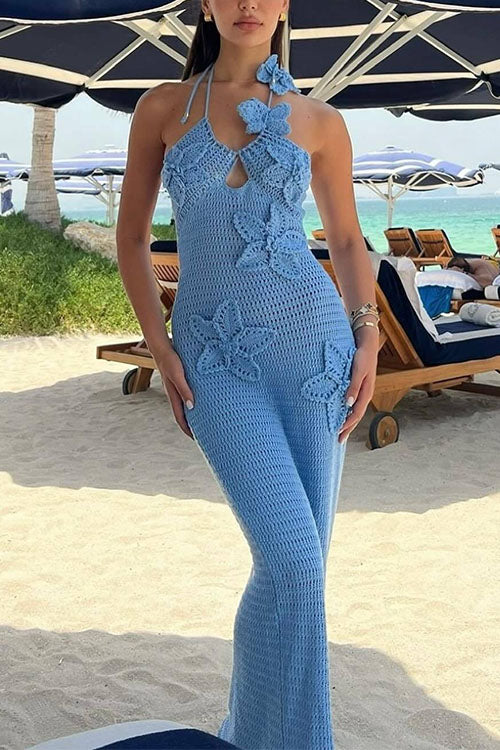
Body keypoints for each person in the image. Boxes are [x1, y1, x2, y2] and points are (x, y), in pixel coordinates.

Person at [115, 2, 379, 748]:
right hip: (213, 361)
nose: (248, 5)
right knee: (290, 559)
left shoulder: (321, 121)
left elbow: (347, 240)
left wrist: (368, 336)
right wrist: (159, 344)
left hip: (316, 352)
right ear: (207, 3)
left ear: (286, 4)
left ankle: (259, 735)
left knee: (304, 569)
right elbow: (132, 239)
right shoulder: (162, 108)